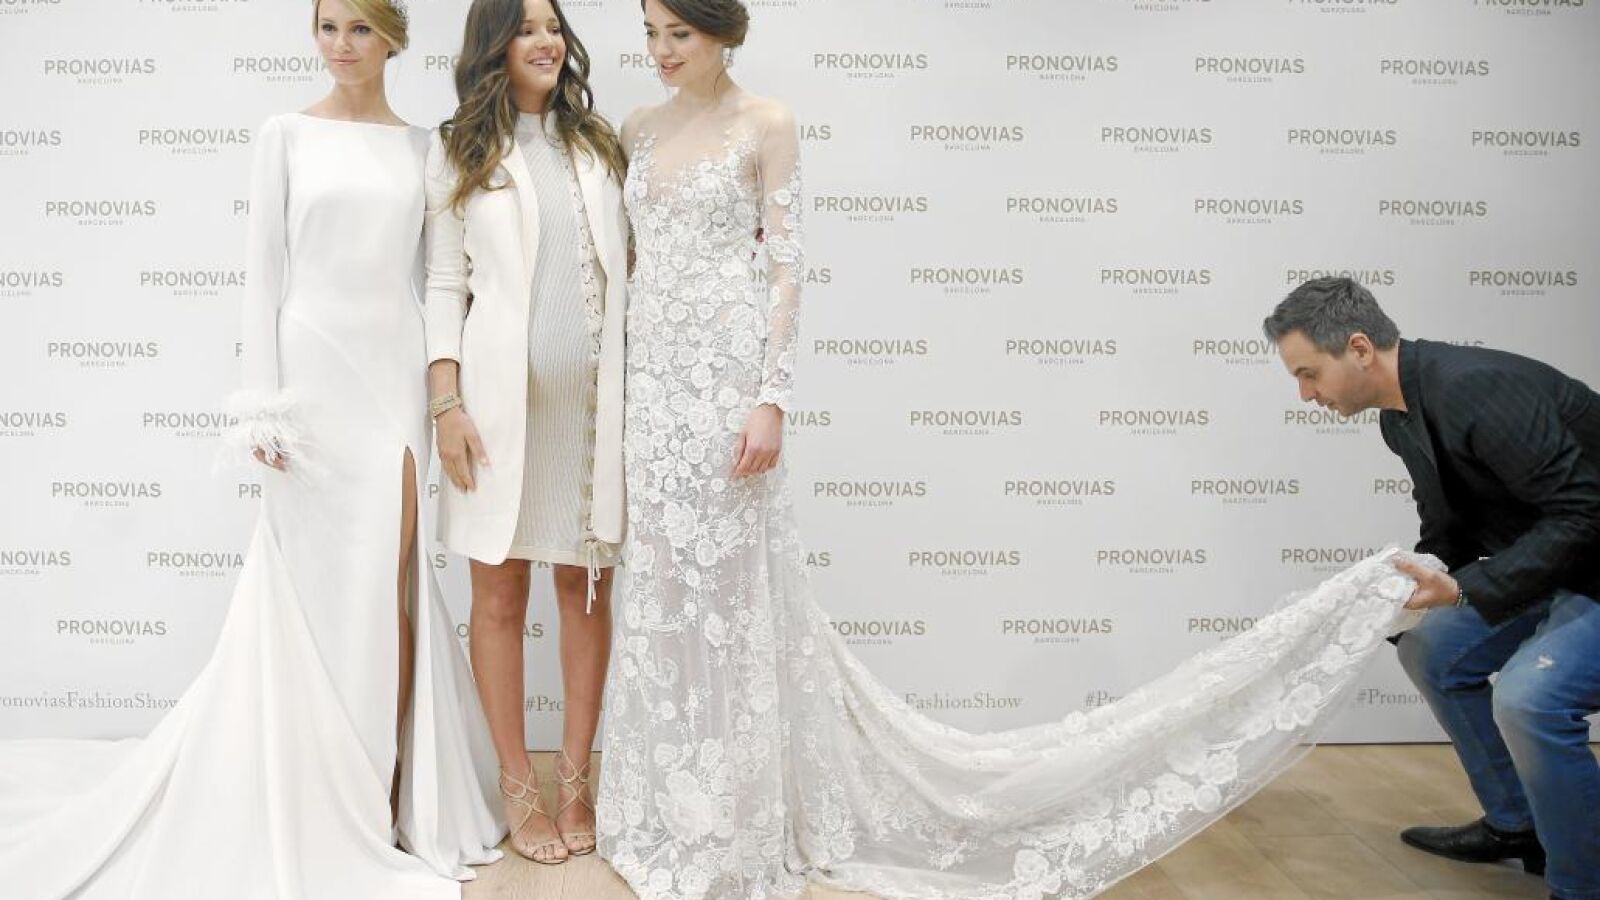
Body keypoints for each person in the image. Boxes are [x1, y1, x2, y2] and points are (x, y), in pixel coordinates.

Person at [595, 3, 1426, 899]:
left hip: (726, 389)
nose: (661, 51)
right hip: (654, 390)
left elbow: (788, 268)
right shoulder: (637, 128)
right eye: (651, 32)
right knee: (663, 592)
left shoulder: (768, 122)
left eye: (679, 33)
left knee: (730, 597)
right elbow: (633, 266)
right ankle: (669, 804)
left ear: (723, 32)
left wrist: (770, 399)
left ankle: (737, 816)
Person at [0, 2, 504, 897]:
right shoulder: (284, 135)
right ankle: (313, 791)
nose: (340, 45)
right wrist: (262, 410)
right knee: (309, 589)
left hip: (390, 385)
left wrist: (442, 395)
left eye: (359, 28)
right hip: (309, 383)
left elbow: (439, 277)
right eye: (327, 26)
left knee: (388, 589)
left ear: (392, 38)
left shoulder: (423, 148)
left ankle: (387, 794)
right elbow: (263, 274)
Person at [1264, 276, 1600, 900]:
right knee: (1431, 648)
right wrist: (1386, 596)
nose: (1306, 395)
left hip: (1590, 560)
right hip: (1559, 564)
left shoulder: (1476, 387)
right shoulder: (1399, 420)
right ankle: (1518, 824)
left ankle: (1584, 882)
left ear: (1359, 348)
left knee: (1529, 700)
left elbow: (1585, 514)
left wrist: (1468, 588)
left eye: (1309, 374)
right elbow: (1449, 530)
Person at [424, 0, 629, 866]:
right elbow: (444, 282)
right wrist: (446, 405)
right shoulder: (460, 149)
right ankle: (518, 783)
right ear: (493, 46)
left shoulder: (599, 144)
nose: (545, 42)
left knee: (586, 593)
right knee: (500, 596)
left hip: (593, 418)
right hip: (497, 417)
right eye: (525, 28)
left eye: (553, 27)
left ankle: (576, 778)